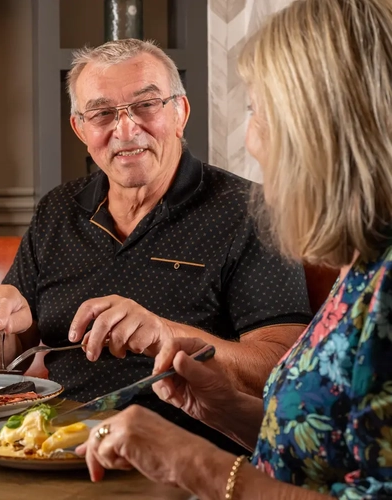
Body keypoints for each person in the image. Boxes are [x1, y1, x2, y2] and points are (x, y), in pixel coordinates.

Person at [75, 0, 392, 498]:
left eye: (258, 111)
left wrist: (192, 461)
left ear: (323, 124)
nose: (253, 139)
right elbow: (322, 449)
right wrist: (223, 409)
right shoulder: (365, 265)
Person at [0, 39, 311, 453]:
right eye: (102, 113)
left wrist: (167, 335)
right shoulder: (58, 209)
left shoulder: (251, 211)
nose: (125, 129)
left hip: (186, 453)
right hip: (52, 448)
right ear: (81, 129)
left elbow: (286, 367)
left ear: (180, 112)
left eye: (146, 106)